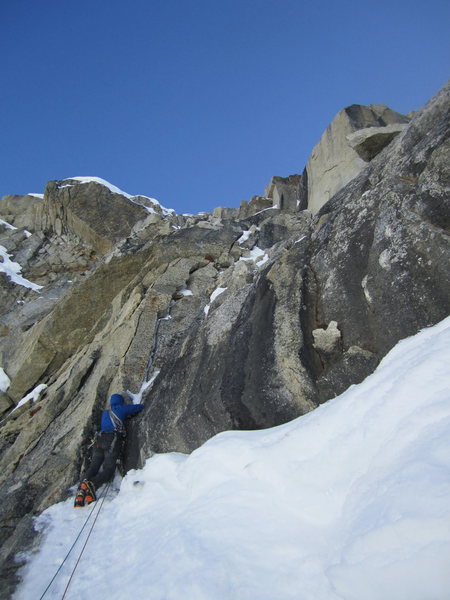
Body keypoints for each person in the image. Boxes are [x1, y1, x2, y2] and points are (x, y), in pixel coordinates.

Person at [74, 393, 144, 507]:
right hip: (112, 440)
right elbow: (138, 408)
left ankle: (81, 491)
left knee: (93, 467)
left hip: (99, 441)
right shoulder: (120, 409)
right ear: (120, 401)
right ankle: (92, 484)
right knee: (108, 469)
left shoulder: (105, 413)